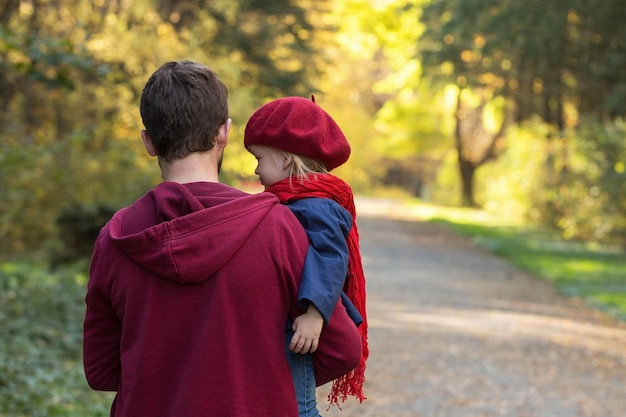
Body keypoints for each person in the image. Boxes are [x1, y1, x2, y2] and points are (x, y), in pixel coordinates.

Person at [82, 61, 362, 417]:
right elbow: (342, 349)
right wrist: (263, 380)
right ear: (224, 133)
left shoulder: (115, 238)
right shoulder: (276, 226)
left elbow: (101, 371)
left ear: (149, 141)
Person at [244, 96, 369, 416]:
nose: (256, 170)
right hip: (286, 316)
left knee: (298, 406)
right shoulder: (294, 201)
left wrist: (314, 315)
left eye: (259, 158)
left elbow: (330, 258)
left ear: (285, 158)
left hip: (298, 323)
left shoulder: (314, 205)